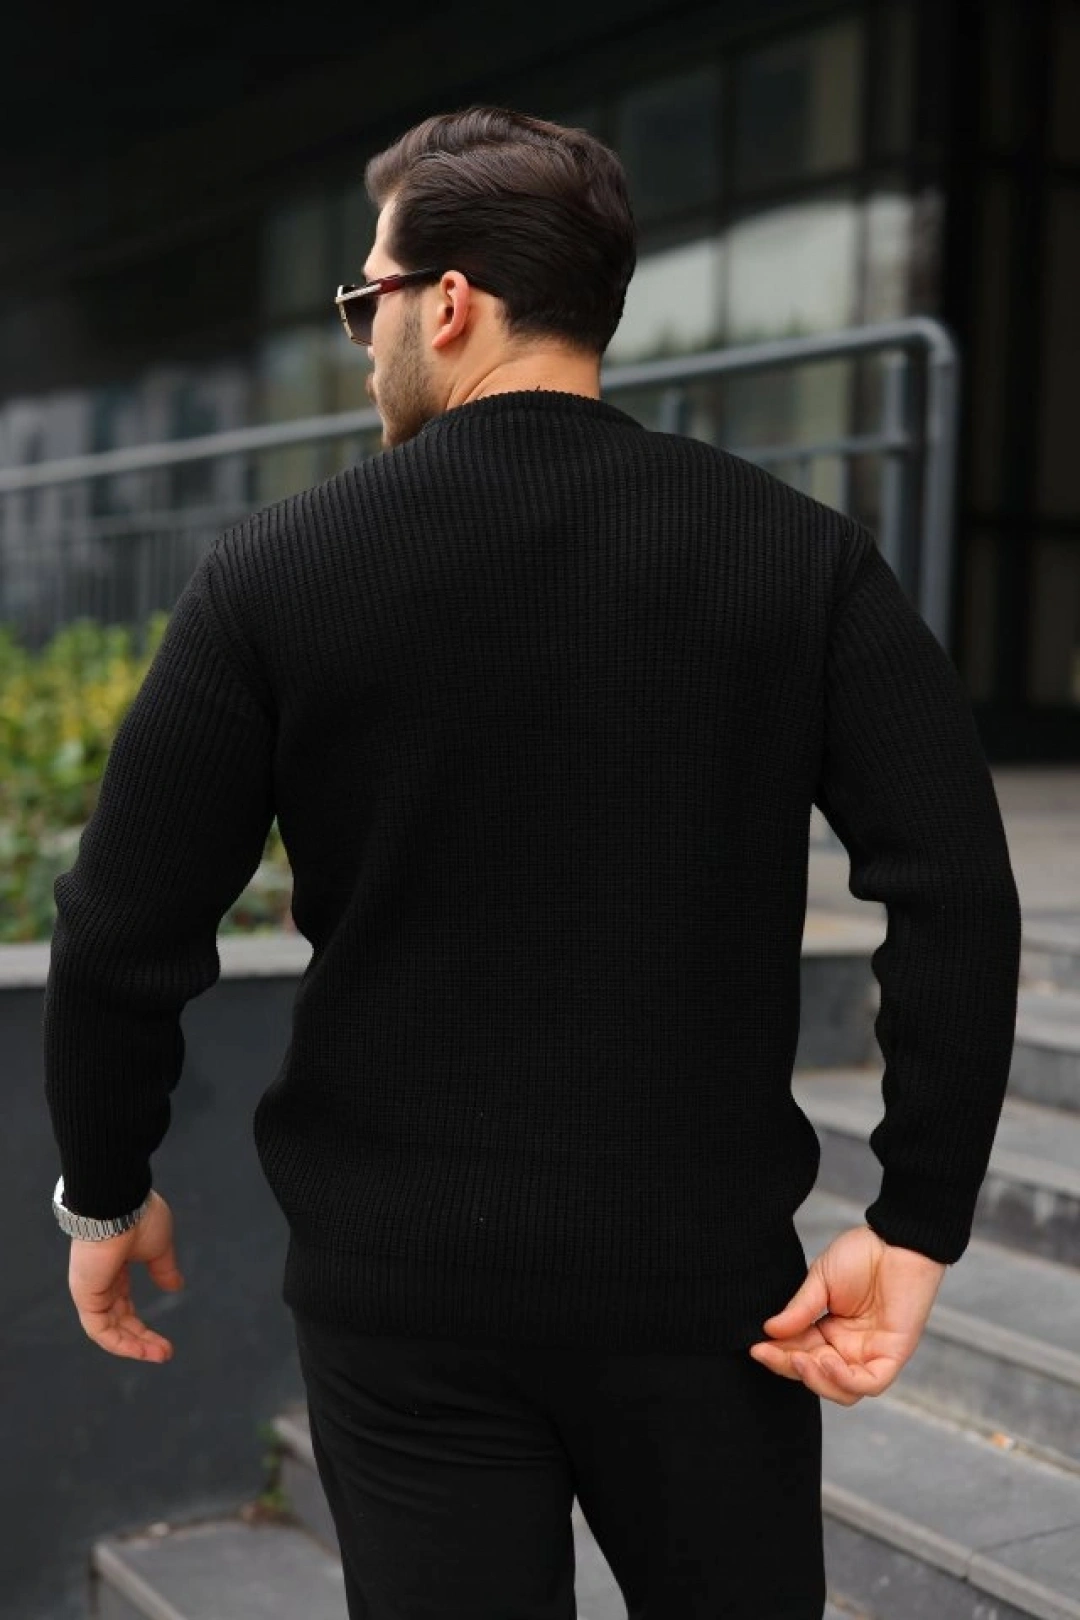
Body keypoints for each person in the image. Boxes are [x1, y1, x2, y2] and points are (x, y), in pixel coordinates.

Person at [43, 106, 1022, 1618]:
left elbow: (121, 928)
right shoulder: (795, 554)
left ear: (448, 303)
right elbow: (956, 893)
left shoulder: (279, 571)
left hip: (401, 1294)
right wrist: (916, 1219)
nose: (364, 339)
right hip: (703, 1289)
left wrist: (107, 1194)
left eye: (366, 300)